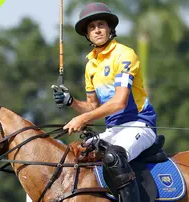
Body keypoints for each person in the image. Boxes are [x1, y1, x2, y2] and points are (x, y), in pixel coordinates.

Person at [52, 2, 157, 202]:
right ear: (87, 34)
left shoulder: (125, 54)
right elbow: (93, 106)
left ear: (110, 29)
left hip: (140, 125)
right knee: (74, 156)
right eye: (92, 27)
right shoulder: (91, 65)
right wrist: (71, 101)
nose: (97, 30)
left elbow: (119, 102)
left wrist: (83, 118)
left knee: (114, 158)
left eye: (101, 25)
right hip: (114, 129)